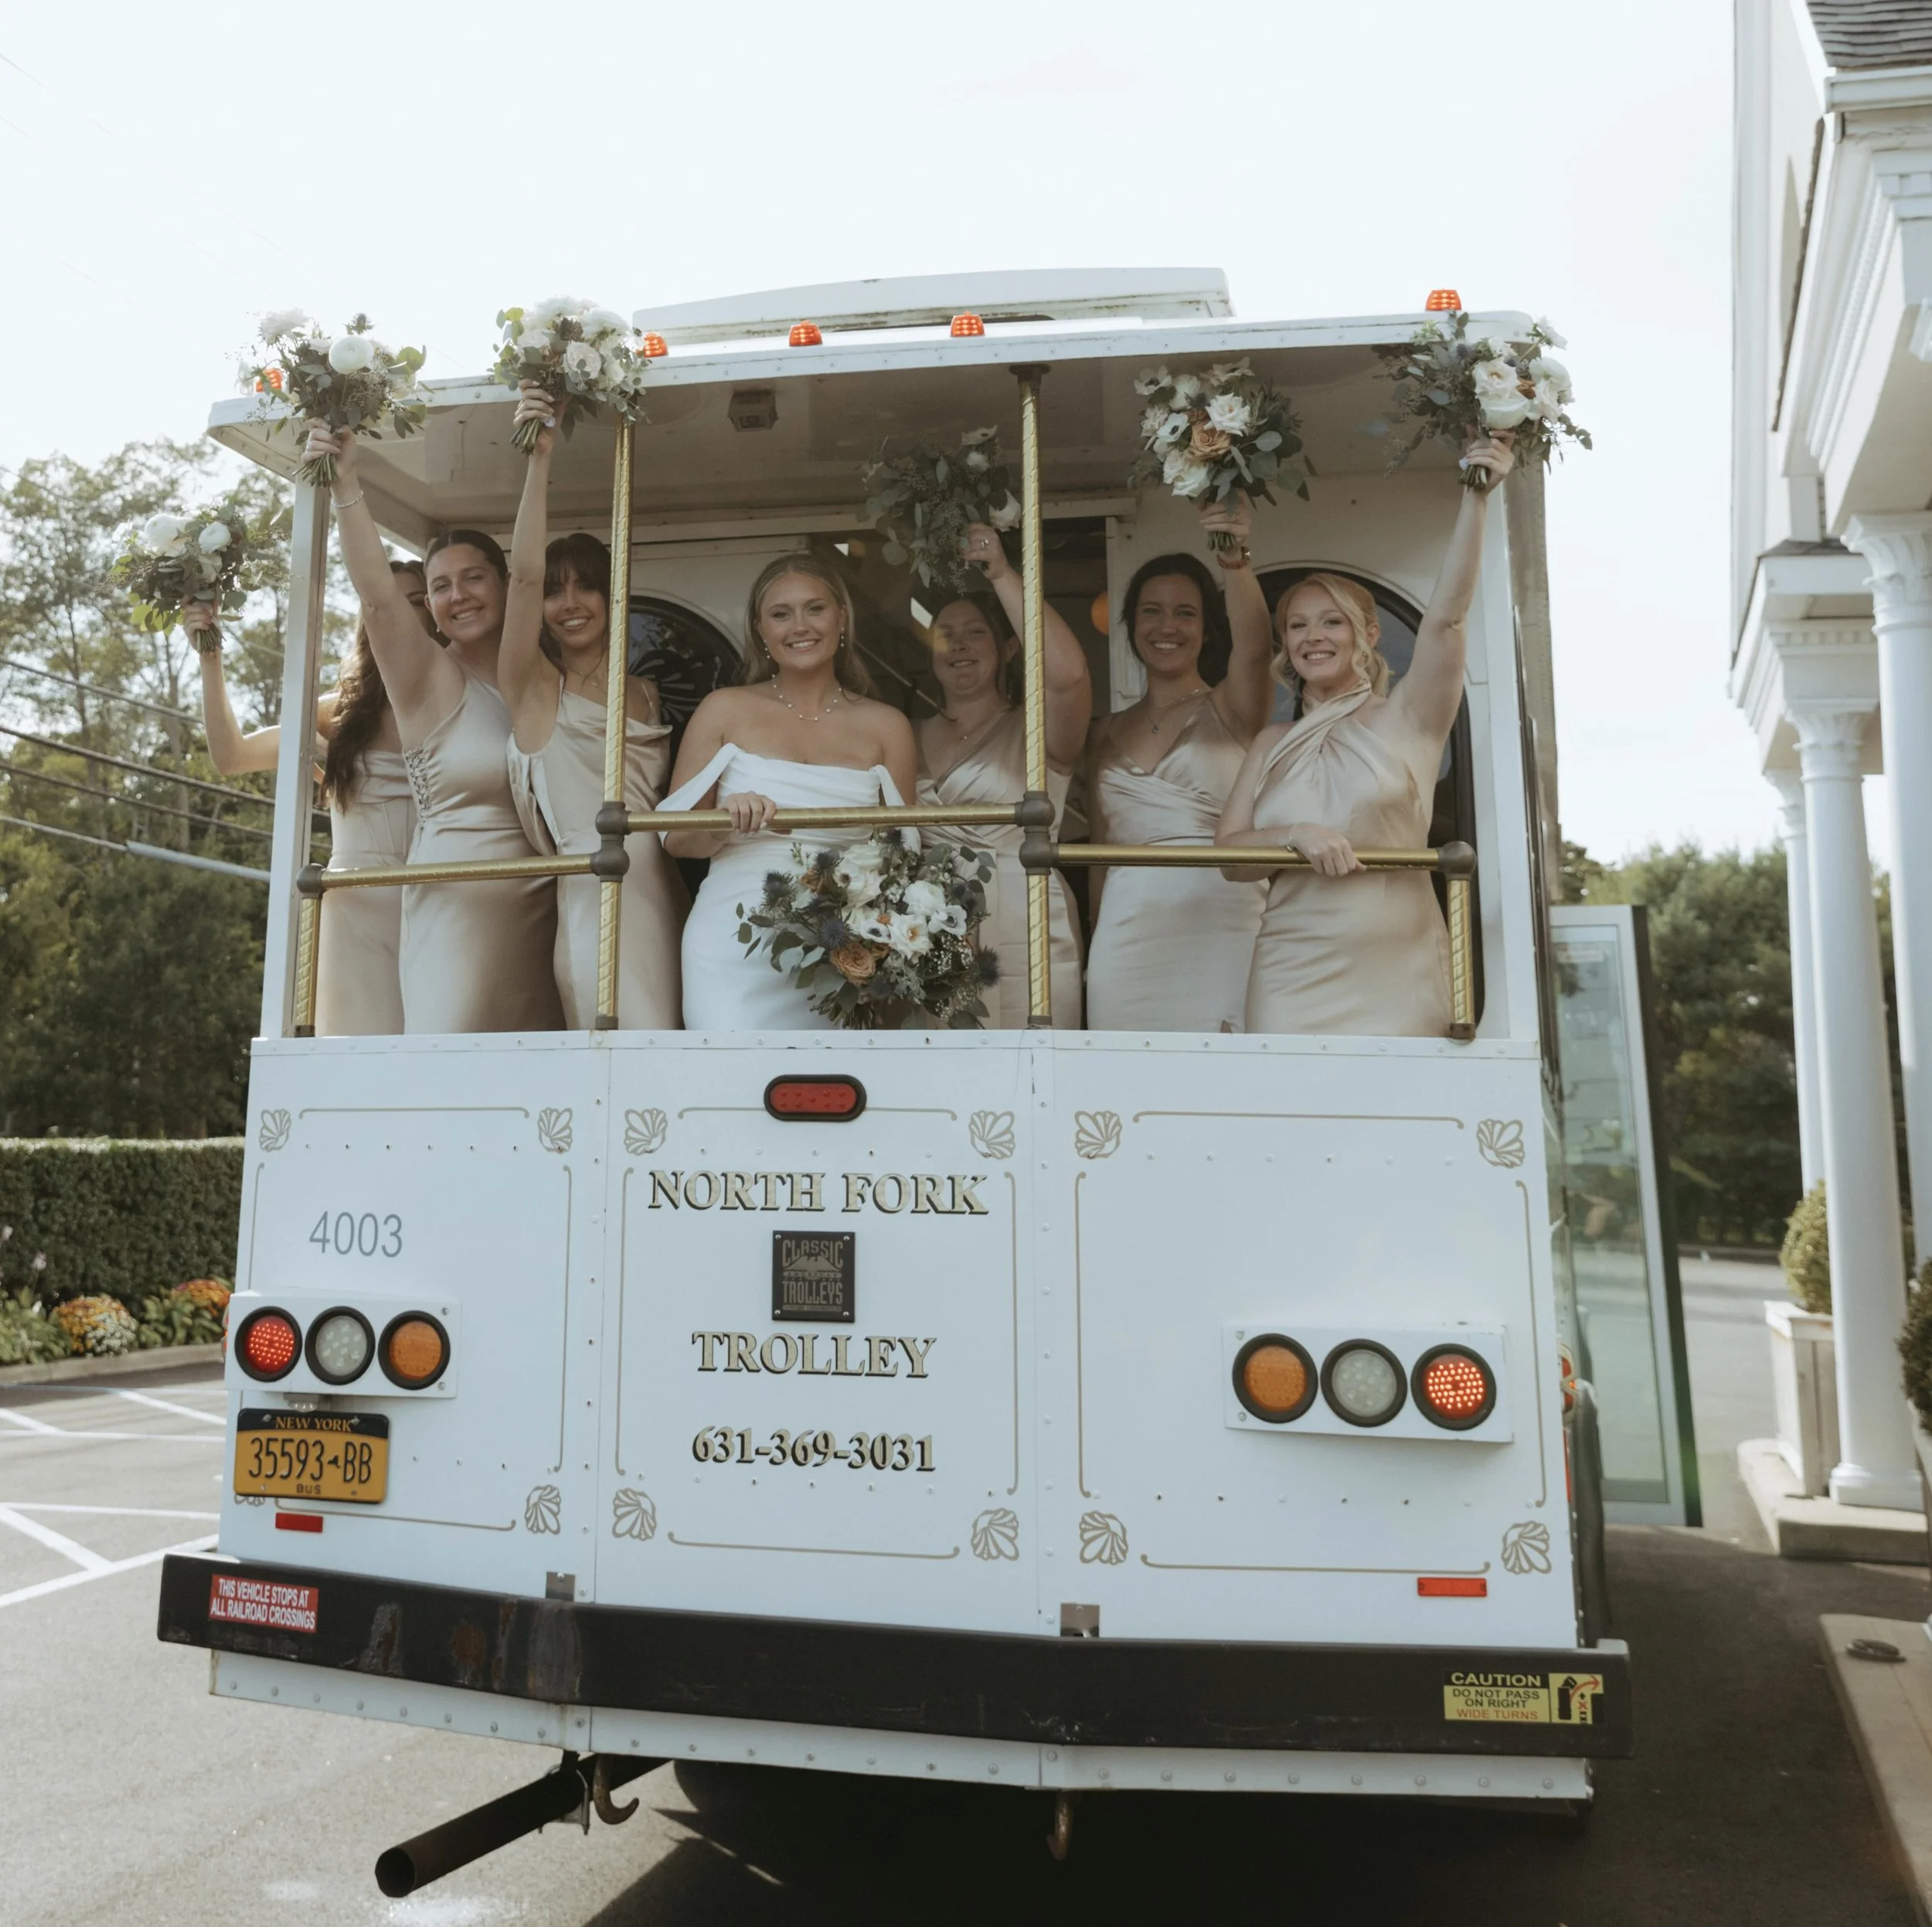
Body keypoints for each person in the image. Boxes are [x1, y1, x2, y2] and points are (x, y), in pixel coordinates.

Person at [1217, 434, 1517, 1036]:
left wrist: (1477, 496)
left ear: (1369, 635)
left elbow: (1448, 617)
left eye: (1332, 622)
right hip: (1288, 969)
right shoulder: (1271, 742)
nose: (1313, 637)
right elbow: (1231, 859)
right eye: (1297, 626)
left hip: (1395, 965)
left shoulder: (1410, 717)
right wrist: (1295, 835)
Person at [301, 422, 563, 1035]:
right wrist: (346, 484)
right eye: (440, 586)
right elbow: (380, 600)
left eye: (474, 578)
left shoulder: (548, 680)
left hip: (547, 905)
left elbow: (533, 571)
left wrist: (540, 456)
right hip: (454, 909)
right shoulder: (426, 679)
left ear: (503, 585)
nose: (457, 596)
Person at [659, 554, 917, 1031]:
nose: (800, 626)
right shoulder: (724, 710)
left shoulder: (888, 726)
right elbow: (677, 839)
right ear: (760, 629)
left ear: (842, 618)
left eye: (815, 609)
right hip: (732, 944)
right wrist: (723, 823)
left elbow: (903, 856)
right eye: (781, 614)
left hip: (843, 948)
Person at [499, 384, 685, 1028]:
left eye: (586, 586)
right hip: (590, 884)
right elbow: (519, 580)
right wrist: (539, 458)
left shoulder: (645, 690)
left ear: (614, 595)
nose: (570, 602)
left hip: (660, 886)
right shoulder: (531, 686)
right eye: (556, 591)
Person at [189, 561, 432, 1036]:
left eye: (416, 602)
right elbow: (232, 756)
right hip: (355, 910)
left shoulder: (459, 696)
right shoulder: (340, 709)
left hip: (440, 894)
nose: (399, 613)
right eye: (385, 600)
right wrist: (210, 656)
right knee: (357, 1052)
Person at [1083, 495, 1273, 1031]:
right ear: (1130, 624)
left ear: (1209, 628)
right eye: (1152, 611)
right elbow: (1100, 858)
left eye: (1185, 613)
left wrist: (1233, 557)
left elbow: (1256, 649)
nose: (1167, 627)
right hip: (1127, 940)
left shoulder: (1233, 707)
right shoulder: (1105, 733)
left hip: (1225, 925)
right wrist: (1097, 945)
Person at [914, 523, 1089, 1027]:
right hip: (930, 929)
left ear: (1009, 647)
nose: (960, 646)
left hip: (1027, 917)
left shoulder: (1038, 729)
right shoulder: (903, 733)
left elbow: (1069, 675)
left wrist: (1001, 574)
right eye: (946, 635)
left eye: (976, 633)